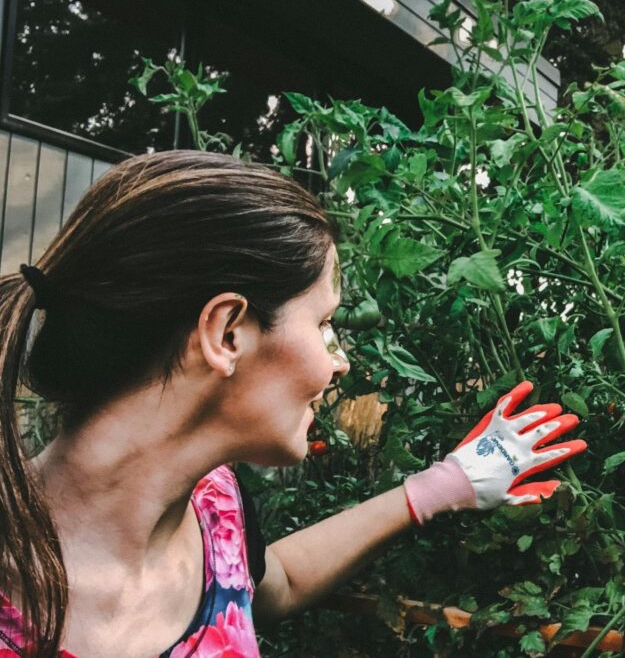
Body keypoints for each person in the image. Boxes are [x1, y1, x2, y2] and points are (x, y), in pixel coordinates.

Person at [0, 150, 587, 657]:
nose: (340, 362)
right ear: (227, 333)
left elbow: (266, 586)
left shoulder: (214, 510)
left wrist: (439, 488)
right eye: (325, 323)